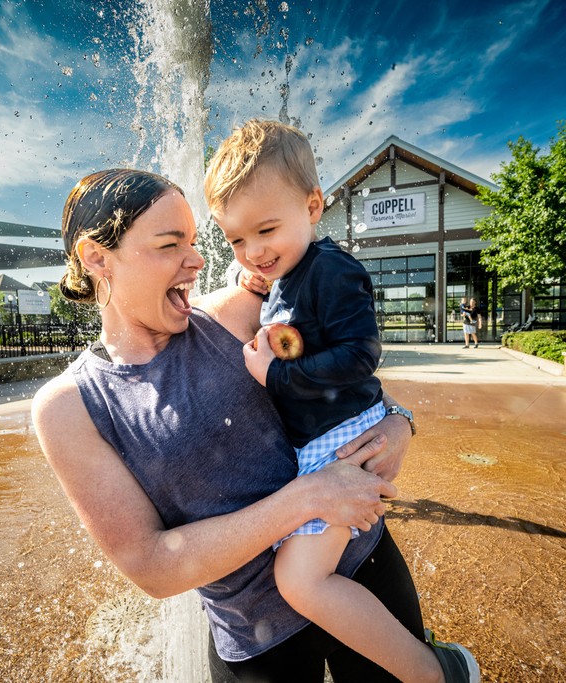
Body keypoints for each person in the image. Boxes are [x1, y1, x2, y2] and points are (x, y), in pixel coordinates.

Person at [32, 169, 474, 682]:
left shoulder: (233, 314)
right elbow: (152, 564)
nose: (197, 261)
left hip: (360, 572)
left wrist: (399, 420)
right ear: (96, 258)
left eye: (195, 242)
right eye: (170, 244)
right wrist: (305, 499)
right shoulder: (71, 406)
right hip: (255, 636)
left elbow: (341, 383)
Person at [205, 119, 478, 683]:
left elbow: (361, 356)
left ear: (312, 206)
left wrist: (275, 376)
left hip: (339, 442)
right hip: (321, 446)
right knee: (302, 572)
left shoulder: (331, 268)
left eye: (266, 230)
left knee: (300, 581)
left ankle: (436, 672)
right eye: (236, 240)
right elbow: (272, 282)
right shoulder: (285, 271)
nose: (254, 251)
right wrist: (253, 273)